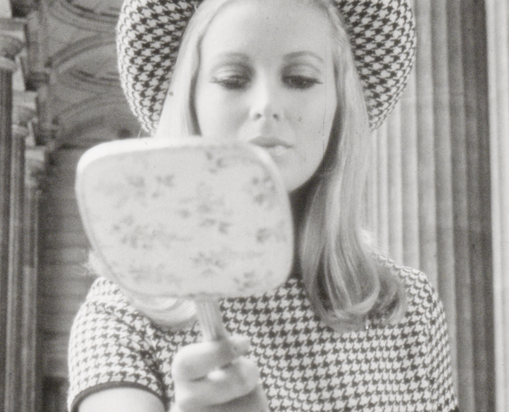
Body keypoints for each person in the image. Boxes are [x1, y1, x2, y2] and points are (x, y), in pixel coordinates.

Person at [67, 0, 459, 411]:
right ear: (190, 102)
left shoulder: (408, 309)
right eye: (233, 79)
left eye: (300, 78)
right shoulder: (121, 316)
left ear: (340, 105)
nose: (266, 104)